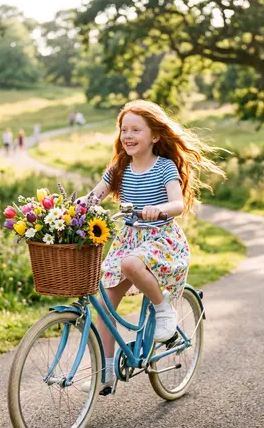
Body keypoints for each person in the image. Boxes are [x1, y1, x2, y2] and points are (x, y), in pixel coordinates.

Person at [81, 100, 225, 392]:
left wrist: (157, 209)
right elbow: (94, 196)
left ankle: (164, 311)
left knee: (131, 264)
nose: (128, 136)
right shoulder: (120, 166)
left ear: (155, 136)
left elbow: (178, 203)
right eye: (124, 129)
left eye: (136, 129)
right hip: (130, 239)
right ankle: (105, 372)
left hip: (161, 239)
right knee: (105, 307)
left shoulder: (164, 167)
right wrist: (74, 209)